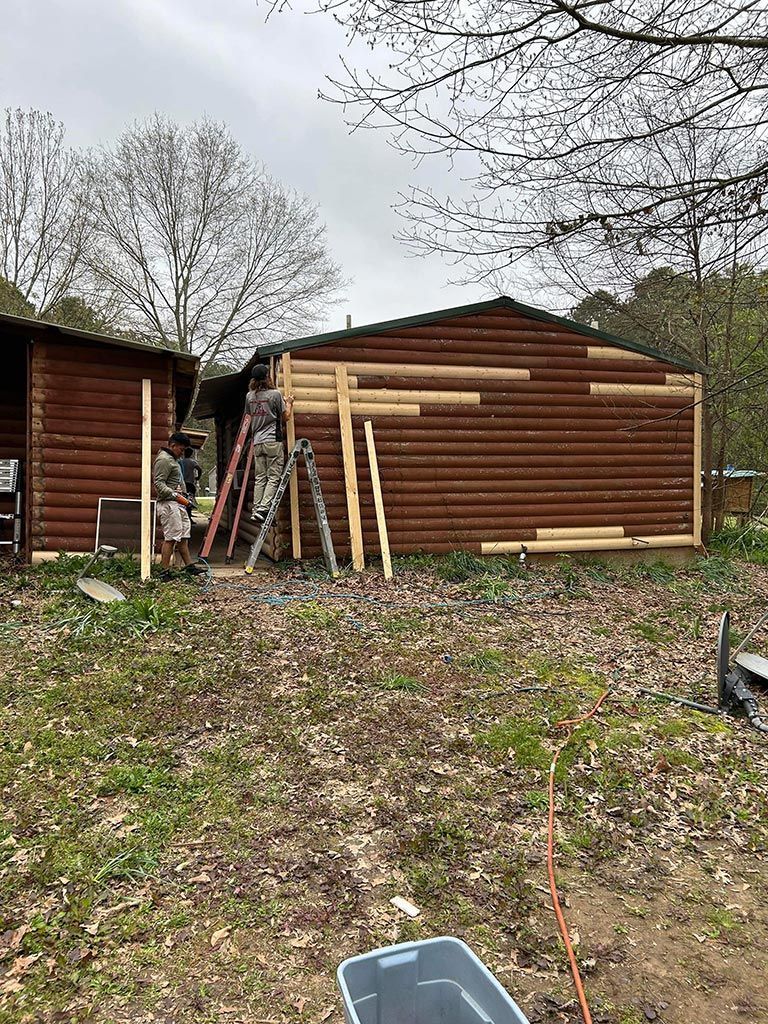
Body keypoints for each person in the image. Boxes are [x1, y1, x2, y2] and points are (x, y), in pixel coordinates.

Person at [153, 431, 206, 579]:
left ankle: (189, 566)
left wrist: (184, 497)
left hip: (178, 504)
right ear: (173, 445)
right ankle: (164, 571)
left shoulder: (173, 459)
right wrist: (175, 494)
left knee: (183, 535)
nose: (182, 453)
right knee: (171, 538)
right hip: (169, 503)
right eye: (181, 449)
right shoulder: (163, 460)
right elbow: (158, 484)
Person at [245, 364, 294, 521]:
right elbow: (285, 417)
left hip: (257, 442)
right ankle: (264, 508)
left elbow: (249, 415)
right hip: (272, 440)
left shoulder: (249, 396)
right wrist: (290, 403)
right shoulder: (275, 395)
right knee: (273, 477)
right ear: (267, 377)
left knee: (260, 478)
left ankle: (256, 510)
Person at [179, 447, 202, 512]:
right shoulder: (192, 462)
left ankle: (185, 514)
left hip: (182, 483)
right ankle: (189, 514)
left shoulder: (181, 462)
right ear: (191, 454)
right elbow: (199, 469)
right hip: (190, 483)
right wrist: (198, 477)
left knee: (183, 499)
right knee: (190, 499)